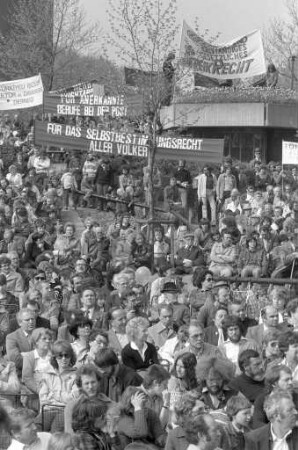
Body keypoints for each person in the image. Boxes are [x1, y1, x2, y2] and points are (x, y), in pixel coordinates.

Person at [38, 340, 79, 432]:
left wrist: (54, 395)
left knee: (56, 431)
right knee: (36, 428)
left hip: (65, 411)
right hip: (47, 409)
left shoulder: (76, 375)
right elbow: (43, 397)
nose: (63, 359)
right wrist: (62, 397)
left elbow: (73, 398)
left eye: (66, 355)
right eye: (60, 356)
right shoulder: (47, 373)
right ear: (55, 358)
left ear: (71, 357)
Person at [64, 363, 112, 434]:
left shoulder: (109, 404)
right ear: (81, 385)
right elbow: (69, 433)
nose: (90, 387)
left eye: (93, 382)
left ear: (98, 382)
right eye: (86, 383)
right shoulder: (71, 406)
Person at [253, 364, 293, 429]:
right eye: (287, 380)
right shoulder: (262, 399)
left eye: (291, 379)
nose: (291, 382)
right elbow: (257, 423)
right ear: (275, 383)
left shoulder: (296, 396)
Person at [22, 327, 53, 396]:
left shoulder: (54, 356)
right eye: (44, 339)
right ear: (36, 341)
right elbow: (27, 379)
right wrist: (40, 391)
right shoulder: (29, 356)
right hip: (35, 393)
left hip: (54, 391)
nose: (48, 341)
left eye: (49, 339)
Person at [6, 308, 36, 376]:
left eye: (33, 319)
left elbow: (49, 355)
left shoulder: (42, 333)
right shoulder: (11, 337)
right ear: (20, 323)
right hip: (21, 375)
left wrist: (25, 355)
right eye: (27, 320)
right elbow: (16, 361)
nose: (31, 322)